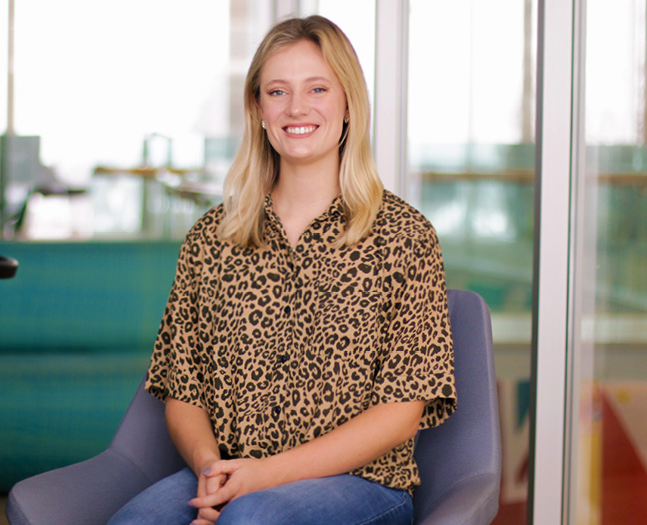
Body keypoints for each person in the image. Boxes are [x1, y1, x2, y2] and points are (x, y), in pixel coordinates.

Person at [108, 15, 455, 525]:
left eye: (317, 88)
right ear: (258, 109)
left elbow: (401, 414)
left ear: (348, 104)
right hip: (230, 473)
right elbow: (182, 390)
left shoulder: (403, 236)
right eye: (277, 91)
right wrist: (213, 474)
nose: (297, 108)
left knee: (252, 520)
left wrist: (260, 481)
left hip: (360, 486)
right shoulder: (212, 237)